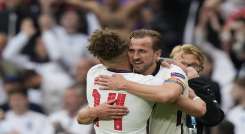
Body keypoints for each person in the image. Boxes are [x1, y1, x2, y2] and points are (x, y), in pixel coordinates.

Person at [81, 29, 206, 134]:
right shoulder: (150, 83)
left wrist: (94, 112)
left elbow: (81, 118)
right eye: (132, 51)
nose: (135, 56)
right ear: (126, 52)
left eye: (142, 51)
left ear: (100, 60)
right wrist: (194, 96)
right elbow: (196, 108)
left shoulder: (94, 73)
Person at [170, 44, 224, 134]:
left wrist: (194, 82)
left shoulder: (205, 85)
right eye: (182, 63)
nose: (187, 68)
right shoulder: (161, 80)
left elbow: (214, 118)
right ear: (172, 63)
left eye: (193, 65)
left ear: (200, 69)